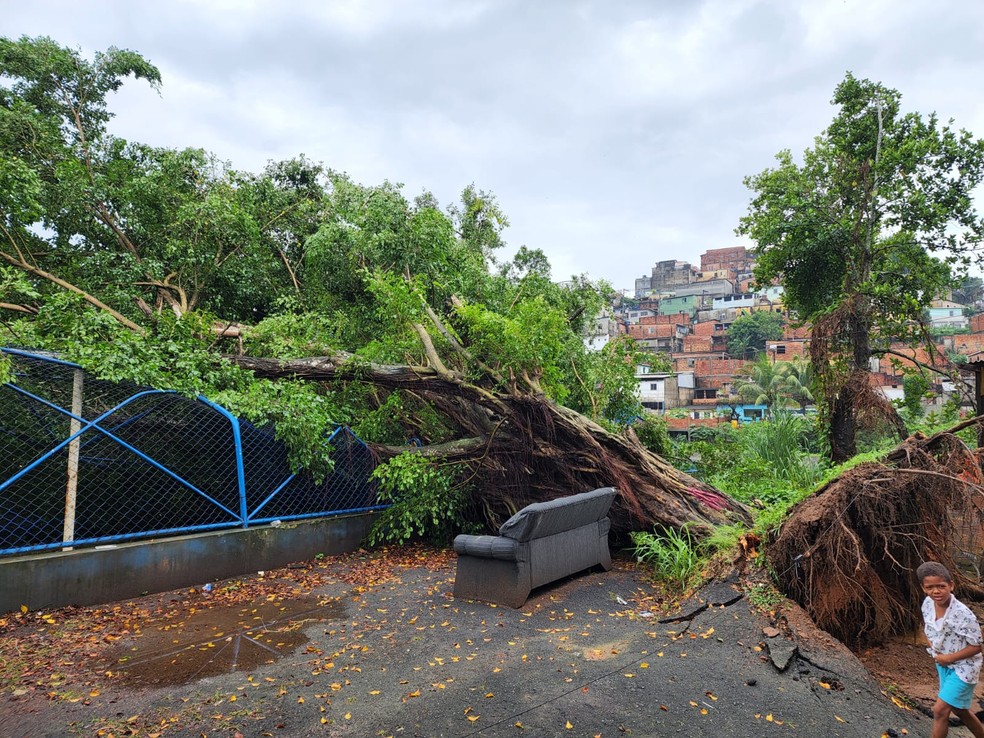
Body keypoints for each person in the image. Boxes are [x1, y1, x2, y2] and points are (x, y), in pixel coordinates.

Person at [917, 561, 984, 738]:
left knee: (940, 710)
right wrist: (935, 648)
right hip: (944, 665)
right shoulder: (927, 604)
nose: (936, 591)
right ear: (923, 588)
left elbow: (977, 646)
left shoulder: (962, 613)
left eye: (941, 586)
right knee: (959, 710)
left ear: (951, 585)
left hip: (964, 668)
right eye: (930, 587)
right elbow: (929, 628)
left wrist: (949, 658)